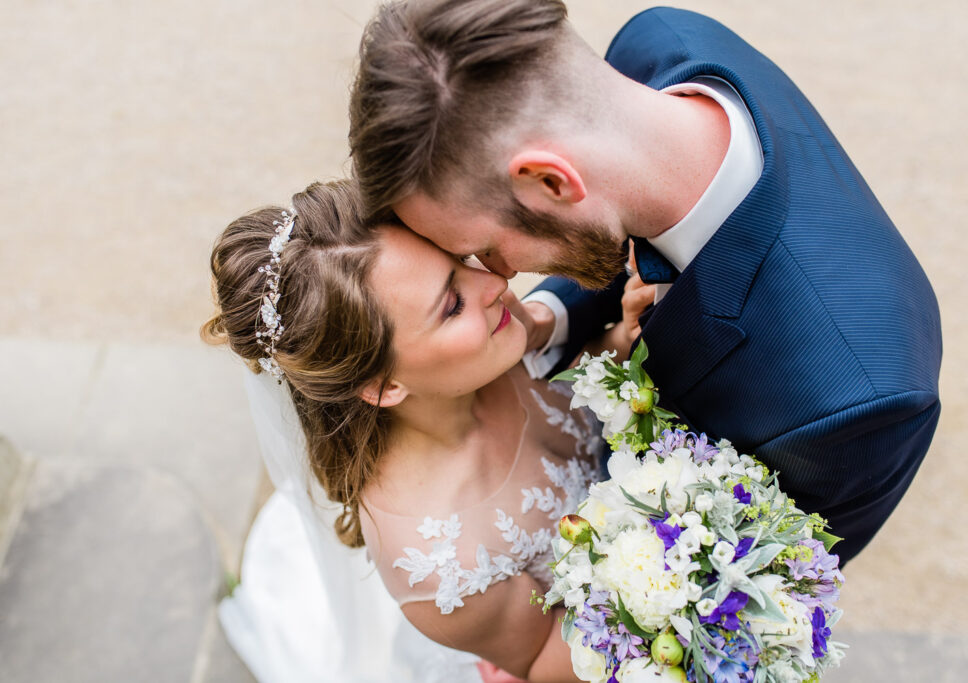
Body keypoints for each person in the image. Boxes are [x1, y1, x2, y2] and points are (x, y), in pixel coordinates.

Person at [347, 0, 943, 562]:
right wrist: (548, 322)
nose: (499, 278)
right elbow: (610, 209)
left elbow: (775, 590)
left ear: (551, 183)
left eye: (484, 249)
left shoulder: (857, 401)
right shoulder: (656, 41)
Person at [202, 179, 653, 682]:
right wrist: (670, 576)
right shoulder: (442, 565)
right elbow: (552, 657)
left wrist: (620, 341)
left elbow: (571, 378)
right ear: (383, 385)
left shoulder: (488, 342)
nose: (495, 283)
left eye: (460, 262)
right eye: (451, 305)